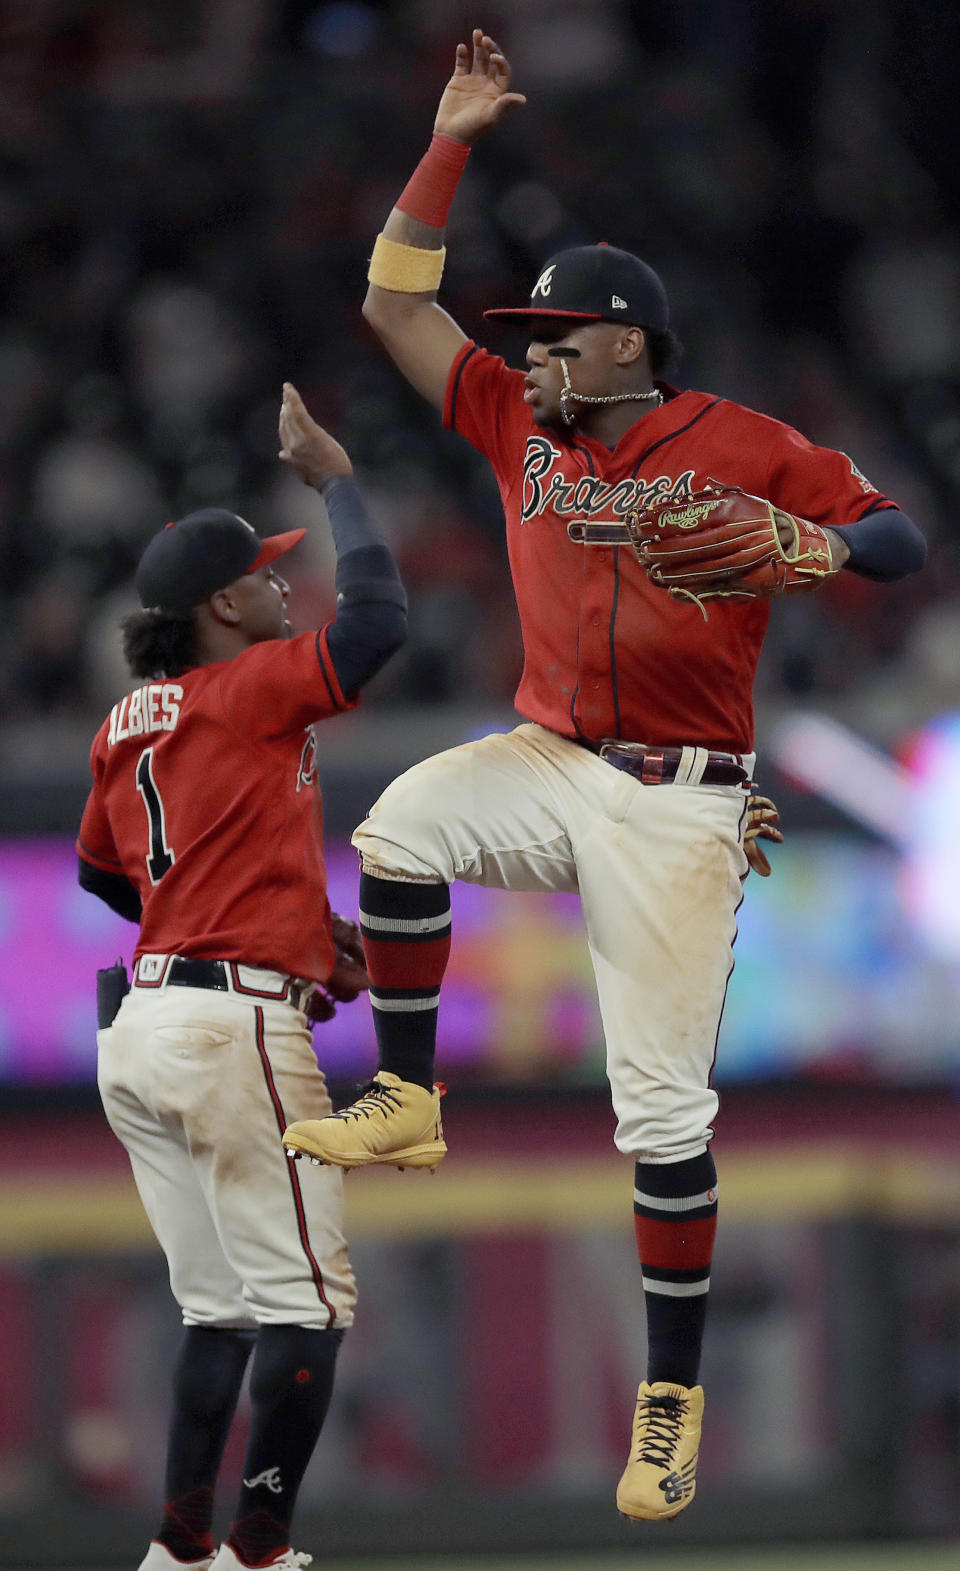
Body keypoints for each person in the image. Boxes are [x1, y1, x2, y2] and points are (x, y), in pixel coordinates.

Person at [281, 28, 927, 1523]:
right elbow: (393, 300)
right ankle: (407, 1094)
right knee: (398, 825)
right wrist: (448, 142)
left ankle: (669, 1408)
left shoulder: (746, 444)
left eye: (560, 335)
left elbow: (895, 532)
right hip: (551, 752)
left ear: (629, 342)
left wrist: (819, 546)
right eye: (533, 336)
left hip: (683, 798)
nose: (536, 354)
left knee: (661, 1117)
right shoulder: (520, 424)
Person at [77, 385, 407, 1571]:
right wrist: (335, 481)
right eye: (265, 577)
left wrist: (281, 923)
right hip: (229, 1027)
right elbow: (378, 621)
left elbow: (105, 874)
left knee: (215, 1309)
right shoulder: (247, 685)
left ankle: (180, 1547)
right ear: (222, 603)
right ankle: (260, 1550)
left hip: (144, 1024)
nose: (284, 585)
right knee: (309, 1307)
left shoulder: (128, 719)